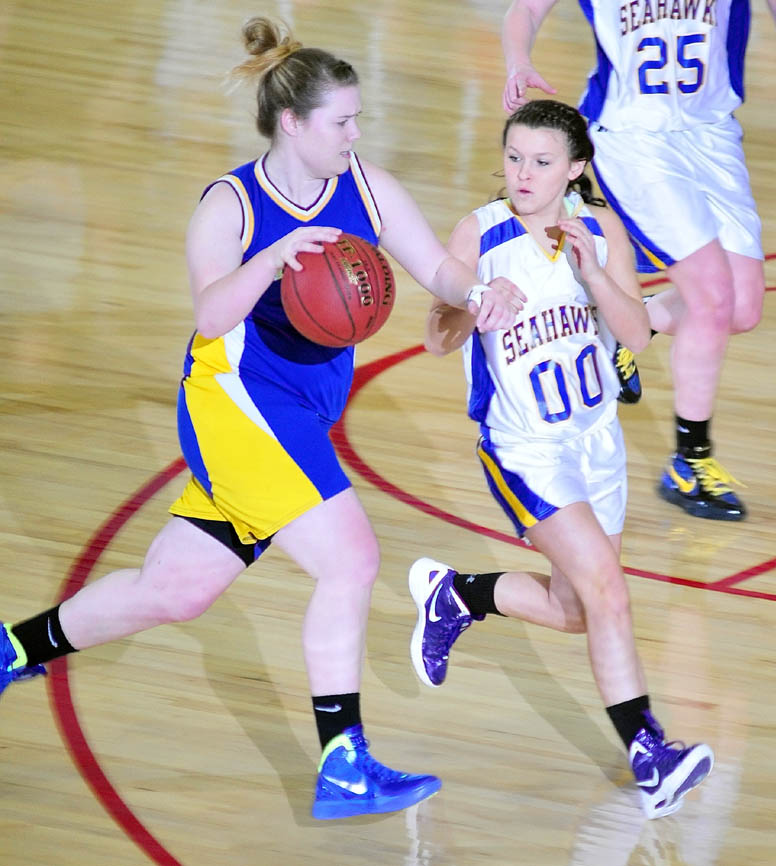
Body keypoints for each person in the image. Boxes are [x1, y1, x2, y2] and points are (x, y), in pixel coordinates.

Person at [0, 17, 525, 821]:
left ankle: (13, 648)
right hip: (237, 403)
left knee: (174, 589)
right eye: (341, 121)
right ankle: (343, 763)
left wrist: (480, 294)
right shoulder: (230, 204)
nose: (356, 133)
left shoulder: (369, 186)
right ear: (292, 123)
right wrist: (273, 260)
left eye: (357, 119)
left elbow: (442, 272)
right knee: (351, 559)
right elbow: (211, 315)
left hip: (301, 411)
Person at [410, 99, 714, 819]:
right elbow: (436, 337)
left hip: (596, 443)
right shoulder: (479, 233)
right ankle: (650, 752)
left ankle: (458, 596)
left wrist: (596, 274)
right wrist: (472, 302)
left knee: (578, 609)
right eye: (514, 157)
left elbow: (636, 333)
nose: (523, 174)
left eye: (542, 163)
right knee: (609, 589)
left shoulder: (600, 227)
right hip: (525, 449)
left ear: (576, 168)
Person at [501, 0, 776, 520]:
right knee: (711, 296)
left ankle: (619, 331)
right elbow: (525, 8)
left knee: (742, 309)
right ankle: (689, 463)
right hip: (634, 140)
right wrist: (515, 59)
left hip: (712, 135)